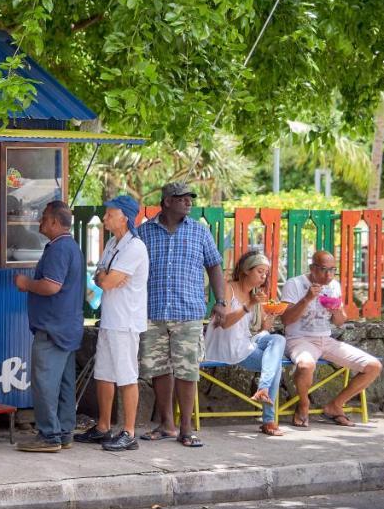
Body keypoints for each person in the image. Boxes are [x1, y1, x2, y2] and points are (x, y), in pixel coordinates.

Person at [136, 181, 227, 448]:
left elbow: (215, 267)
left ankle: (186, 428)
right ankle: (166, 425)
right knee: (159, 370)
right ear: (166, 202)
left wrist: (220, 301)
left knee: (188, 371)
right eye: (182, 198)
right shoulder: (144, 233)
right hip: (153, 312)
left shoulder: (200, 232)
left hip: (188, 313)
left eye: (190, 198)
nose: (188, 202)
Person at [75, 195, 149, 451]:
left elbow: (105, 281)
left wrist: (106, 276)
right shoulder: (111, 244)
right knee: (104, 374)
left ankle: (128, 432)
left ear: (124, 217)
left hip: (126, 321)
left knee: (127, 376)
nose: (105, 217)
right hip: (110, 318)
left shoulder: (135, 247)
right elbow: (99, 275)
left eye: (109, 213)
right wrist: (106, 276)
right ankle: (103, 426)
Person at [279, 250, 382, 427]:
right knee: (305, 365)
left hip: (326, 340)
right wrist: (307, 299)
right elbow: (286, 320)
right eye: (324, 270)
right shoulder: (294, 284)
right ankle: (303, 404)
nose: (329, 275)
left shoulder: (334, 286)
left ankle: (335, 405)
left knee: (373, 366)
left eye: (333, 270)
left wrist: (336, 310)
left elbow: (340, 322)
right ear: (312, 268)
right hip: (299, 339)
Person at [14, 201, 84, 451]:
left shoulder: (58, 249)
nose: (40, 222)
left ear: (55, 222)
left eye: (44, 218)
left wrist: (26, 283)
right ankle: (64, 432)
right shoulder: (71, 246)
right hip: (67, 326)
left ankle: (48, 436)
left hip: (53, 328)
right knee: (64, 384)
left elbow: (51, 286)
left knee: (44, 383)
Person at [202, 250, 288, 435]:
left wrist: (270, 316)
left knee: (278, 340)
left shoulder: (255, 295)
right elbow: (224, 323)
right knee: (276, 364)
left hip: (245, 342)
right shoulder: (227, 288)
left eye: (265, 273)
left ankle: (263, 389)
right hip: (226, 346)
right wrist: (249, 305)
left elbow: (261, 330)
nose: (263, 276)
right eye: (260, 271)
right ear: (245, 270)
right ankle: (268, 419)